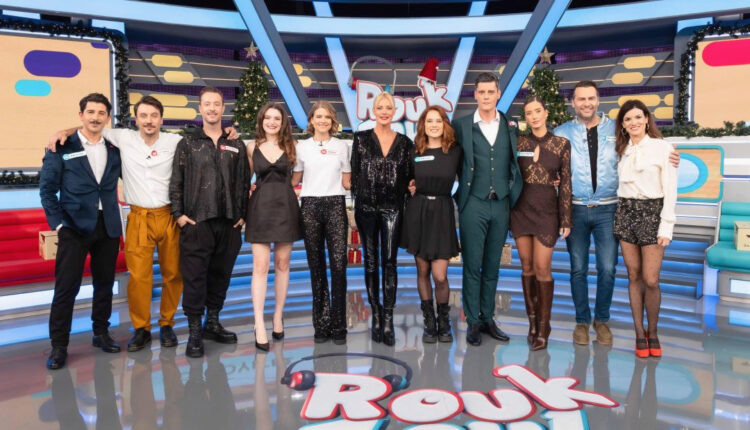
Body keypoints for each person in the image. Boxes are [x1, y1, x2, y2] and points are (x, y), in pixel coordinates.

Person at [45, 96, 235, 352]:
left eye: (154, 116)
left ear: (161, 119)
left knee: (173, 274)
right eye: (143, 116)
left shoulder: (175, 141)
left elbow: (206, 141)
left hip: (168, 216)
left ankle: (167, 323)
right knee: (139, 277)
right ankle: (141, 328)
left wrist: (229, 132)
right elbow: (89, 128)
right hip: (138, 217)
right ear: (136, 119)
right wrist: (62, 132)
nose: (149, 121)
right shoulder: (122, 138)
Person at [554, 81, 679, 346]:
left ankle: (601, 320)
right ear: (573, 102)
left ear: (598, 100)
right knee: (578, 268)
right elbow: (549, 164)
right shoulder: (561, 133)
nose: (586, 103)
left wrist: (672, 155)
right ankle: (581, 321)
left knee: (608, 268)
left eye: (591, 98)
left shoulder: (616, 129)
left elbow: (645, 147)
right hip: (575, 208)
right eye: (581, 99)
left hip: (609, 209)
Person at [40, 93, 122, 369]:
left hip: (108, 226)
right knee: (66, 288)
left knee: (104, 285)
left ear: (107, 117)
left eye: (101, 113)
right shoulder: (62, 146)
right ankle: (59, 345)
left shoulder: (115, 148)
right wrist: (59, 225)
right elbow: (47, 191)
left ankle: (101, 332)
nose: (95, 117)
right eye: (90, 112)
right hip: (73, 228)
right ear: (81, 115)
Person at [169, 86, 249, 358]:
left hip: (229, 222)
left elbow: (243, 181)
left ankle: (212, 323)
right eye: (207, 104)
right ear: (200, 108)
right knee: (194, 277)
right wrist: (179, 215)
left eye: (217, 104)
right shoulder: (187, 143)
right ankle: (194, 332)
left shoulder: (236, 144)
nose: (212, 108)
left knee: (220, 275)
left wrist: (242, 214)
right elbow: (177, 181)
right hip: (196, 221)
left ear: (223, 108)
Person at [453, 72, 522, 347]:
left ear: (498, 94)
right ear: (475, 94)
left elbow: (517, 161)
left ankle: (487, 317)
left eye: (490, 92)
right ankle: (472, 320)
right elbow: (446, 156)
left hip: (501, 203)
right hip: (473, 203)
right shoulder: (461, 125)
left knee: (493, 265)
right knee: (472, 265)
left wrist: (511, 190)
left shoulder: (510, 125)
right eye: (481, 92)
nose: (485, 96)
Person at [613, 99, 677, 358]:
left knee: (651, 279)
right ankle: (639, 333)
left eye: (638, 117)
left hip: (653, 213)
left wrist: (666, 225)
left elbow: (671, 188)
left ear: (647, 119)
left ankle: (653, 331)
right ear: (623, 125)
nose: (634, 122)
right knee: (633, 276)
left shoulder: (663, 148)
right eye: (628, 119)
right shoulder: (621, 149)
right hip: (625, 212)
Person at [350, 91, 414, 346]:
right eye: (380, 107)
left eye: (389, 108)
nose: (385, 112)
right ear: (373, 111)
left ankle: (388, 318)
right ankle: (375, 313)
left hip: (393, 209)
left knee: (389, 262)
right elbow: (354, 174)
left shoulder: (405, 143)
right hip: (366, 208)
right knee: (370, 262)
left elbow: (410, 177)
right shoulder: (361, 139)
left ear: (395, 112)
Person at [510, 96, 572, 350]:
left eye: (538, 111)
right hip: (520, 210)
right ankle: (533, 323)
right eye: (529, 113)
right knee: (526, 266)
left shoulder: (561, 144)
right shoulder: (518, 142)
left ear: (546, 113)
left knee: (542, 267)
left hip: (547, 212)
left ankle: (545, 326)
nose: (534, 116)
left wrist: (566, 218)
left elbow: (565, 183)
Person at [293, 102, 351, 344]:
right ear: (311, 120)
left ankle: (339, 324)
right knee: (316, 268)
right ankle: (321, 323)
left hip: (335, 205)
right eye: (318, 116)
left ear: (332, 121)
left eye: (327, 117)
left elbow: (347, 181)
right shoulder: (301, 147)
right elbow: (294, 179)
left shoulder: (342, 146)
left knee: (339, 266)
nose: (323, 120)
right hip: (310, 208)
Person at [402, 106, 461, 343]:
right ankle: (429, 321)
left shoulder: (455, 151)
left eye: (438, 121)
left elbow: (468, 178)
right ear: (423, 125)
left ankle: (444, 320)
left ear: (445, 124)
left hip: (443, 212)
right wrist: (409, 187)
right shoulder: (415, 150)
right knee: (423, 271)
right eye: (429, 121)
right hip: (418, 212)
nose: (433, 125)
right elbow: (406, 179)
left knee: (440, 275)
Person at [246, 103, 302, 351]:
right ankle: (258, 322)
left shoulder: (293, 146)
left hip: (285, 207)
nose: (271, 122)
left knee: (282, 264)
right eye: (267, 117)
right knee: (260, 266)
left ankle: (278, 316)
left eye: (276, 118)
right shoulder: (251, 147)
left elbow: (296, 178)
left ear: (283, 122)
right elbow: (246, 180)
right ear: (261, 120)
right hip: (259, 209)